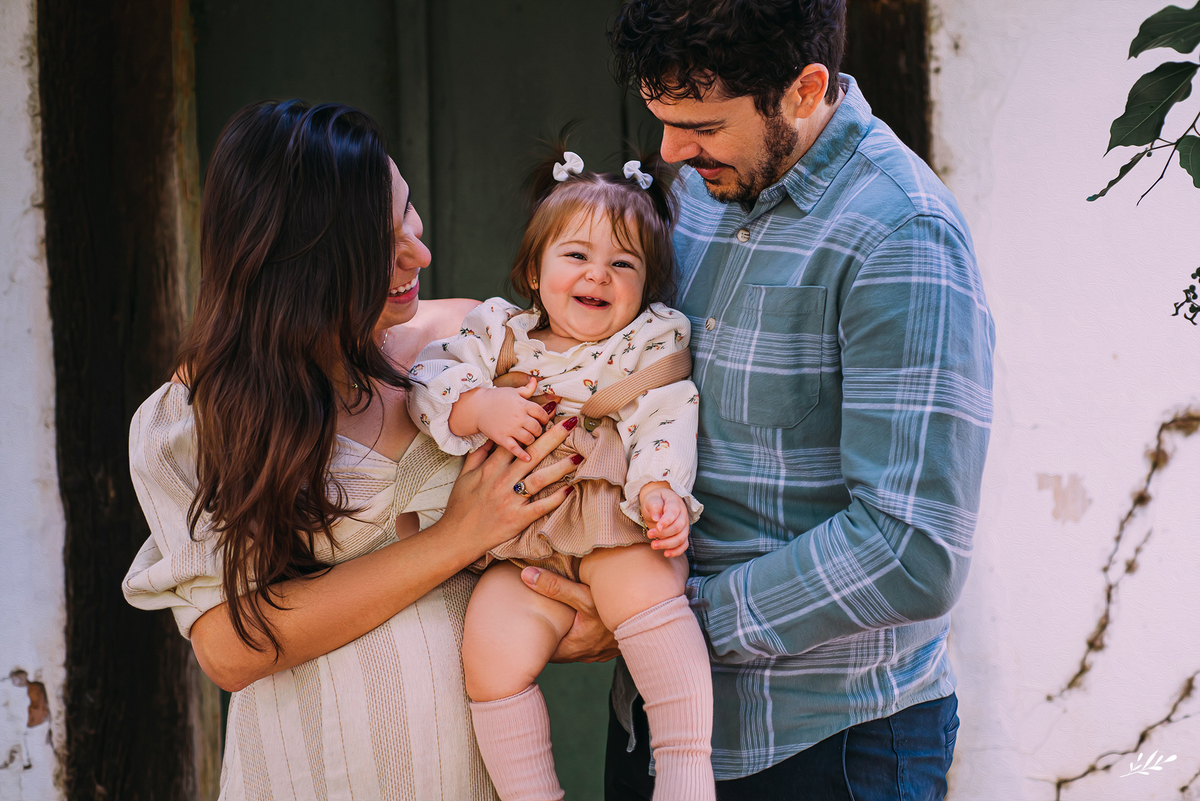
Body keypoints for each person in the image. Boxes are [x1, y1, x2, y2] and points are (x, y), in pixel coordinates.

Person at [544, 2, 992, 799]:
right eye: (663, 120)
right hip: (650, 724)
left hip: (826, 745)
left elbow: (911, 551)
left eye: (702, 127)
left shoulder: (902, 233)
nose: (670, 152)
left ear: (804, 89)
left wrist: (663, 622)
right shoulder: (697, 187)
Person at [121, 100, 599, 801]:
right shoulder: (199, 418)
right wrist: (455, 537)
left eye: (408, 215)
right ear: (296, 263)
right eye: (379, 242)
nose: (418, 255)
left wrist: (598, 612)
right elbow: (229, 647)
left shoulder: (472, 349)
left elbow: (591, 507)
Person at [406, 148, 715, 801]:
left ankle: (686, 772)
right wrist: (479, 406)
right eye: (576, 255)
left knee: (653, 605)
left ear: (647, 285)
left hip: (612, 520)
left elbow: (666, 413)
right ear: (534, 269)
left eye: (624, 264)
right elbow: (429, 378)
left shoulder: (644, 342)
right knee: (490, 651)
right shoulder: (499, 334)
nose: (598, 274)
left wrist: (659, 489)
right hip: (518, 541)